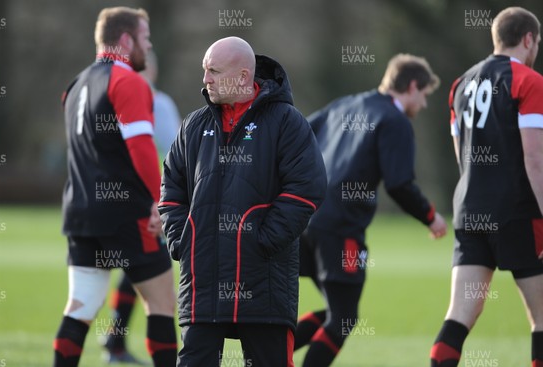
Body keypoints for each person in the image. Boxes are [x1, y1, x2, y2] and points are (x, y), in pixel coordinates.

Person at [158, 36, 326, 367]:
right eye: (205, 70)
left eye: (214, 71)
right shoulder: (193, 126)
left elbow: (307, 188)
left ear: (244, 76)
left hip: (263, 283)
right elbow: (171, 189)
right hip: (202, 281)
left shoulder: (286, 122)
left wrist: (263, 240)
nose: (205, 79)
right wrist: (182, 239)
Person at [295, 53, 448, 367]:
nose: (424, 104)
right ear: (413, 86)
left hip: (303, 219)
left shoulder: (343, 104)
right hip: (340, 228)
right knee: (344, 319)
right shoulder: (394, 121)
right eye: (425, 95)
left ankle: (266, 356)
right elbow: (399, 184)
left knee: (337, 313)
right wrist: (430, 217)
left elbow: (297, 138)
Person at [53, 7, 176, 367]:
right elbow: (141, 150)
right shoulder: (129, 82)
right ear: (126, 40)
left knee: (81, 308)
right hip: (125, 214)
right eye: (145, 37)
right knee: (162, 303)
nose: (149, 44)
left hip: (79, 213)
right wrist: (159, 202)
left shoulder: (75, 85)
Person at [430, 7, 543, 367]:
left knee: (459, 316)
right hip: (518, 212)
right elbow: (535, 159)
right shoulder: (529, 81)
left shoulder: (459, 84)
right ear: (528, 39)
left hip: (470, 209)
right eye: (537, 42)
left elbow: (461, 154)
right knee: (542, 318)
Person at [102, 49, 181, 366]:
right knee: (157, 283)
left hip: (108, 201)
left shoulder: (107, 97)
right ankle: (119, 344)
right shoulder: (156, 101)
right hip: (147, 201)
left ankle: (114, 340)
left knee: (130, 272)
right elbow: (178, 150)